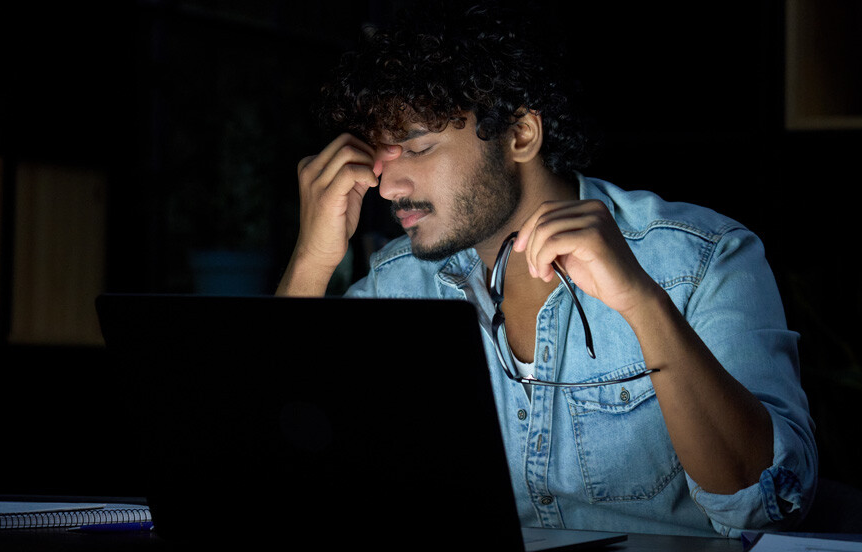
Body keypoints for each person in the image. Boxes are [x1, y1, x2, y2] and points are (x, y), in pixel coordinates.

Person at [276, 1, 817, 538]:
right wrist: (312, 261)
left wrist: (640, 303)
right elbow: (275, 463)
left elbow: (766, 504)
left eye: (417, 148)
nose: (387, 188)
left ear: (521, 136)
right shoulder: (399, 285)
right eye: (380, 157)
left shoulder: (703, 258)